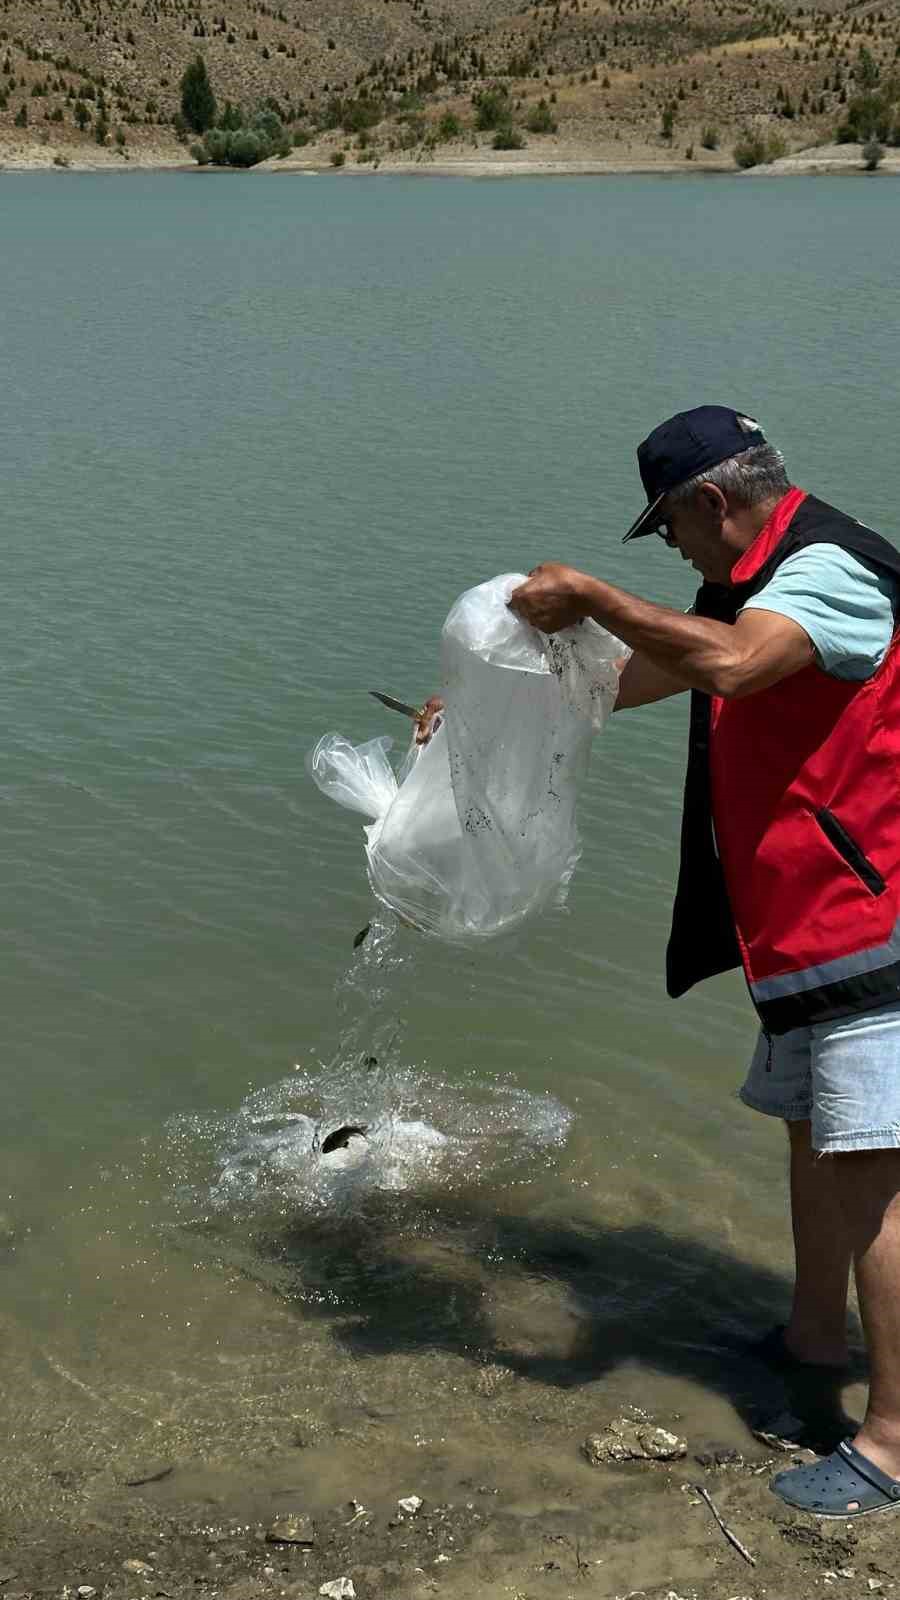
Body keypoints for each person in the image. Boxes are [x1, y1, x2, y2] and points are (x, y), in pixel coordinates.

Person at [417, 405, 900, 1519]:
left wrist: (589, 593)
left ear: (712, 502)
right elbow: (618, 683)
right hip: (799, 933)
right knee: (815, 1141)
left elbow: (730, 670)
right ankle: (813, 1339)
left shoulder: (827, 571)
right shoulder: (745, 588)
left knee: (876, 1175)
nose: (674, 549)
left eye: (670, 527)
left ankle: (889, 1440)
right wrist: (482, 711)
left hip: (873, 927)